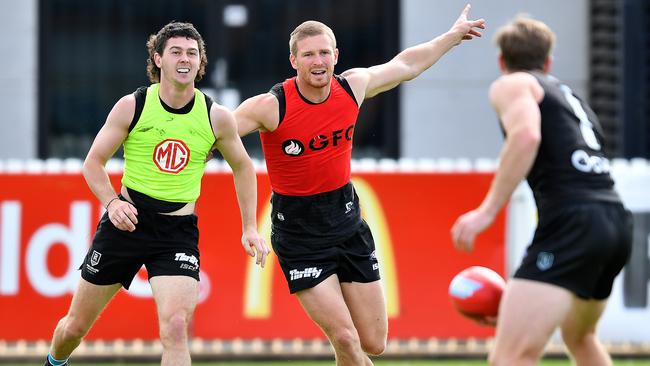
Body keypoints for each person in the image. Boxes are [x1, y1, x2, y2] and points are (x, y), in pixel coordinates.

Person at [234, 6, 485, 365]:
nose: (318, 61)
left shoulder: (352, 86)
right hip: (300, 237)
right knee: (346, 337)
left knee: (373, 342)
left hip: (348, 224)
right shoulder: (271, 106)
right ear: (294, 61)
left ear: (336, 56)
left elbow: (407, 65)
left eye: (324, 53)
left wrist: (451, 36)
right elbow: (217, 131)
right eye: (308, 55)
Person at [43, 21, 269, 366]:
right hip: (125, 225)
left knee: (176, 327)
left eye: (192, 53)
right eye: (176, 51)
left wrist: (250, 227)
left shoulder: (215, 116)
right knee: (74, 328)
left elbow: (243, 166)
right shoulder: (132, 105)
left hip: (176, 233)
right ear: (158, 59)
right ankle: (53, 362)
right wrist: (112, 202)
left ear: (200, 62)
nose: (185, 59)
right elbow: (93, 163)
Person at [451, 16, 633, 366]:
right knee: (580, 337)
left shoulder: (513, 83)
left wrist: (486, 211)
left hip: (572, 223)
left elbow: (526, 136)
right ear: (548, 62)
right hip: (614, 221)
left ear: (502, 62)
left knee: (510, 357)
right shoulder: (569, 97)